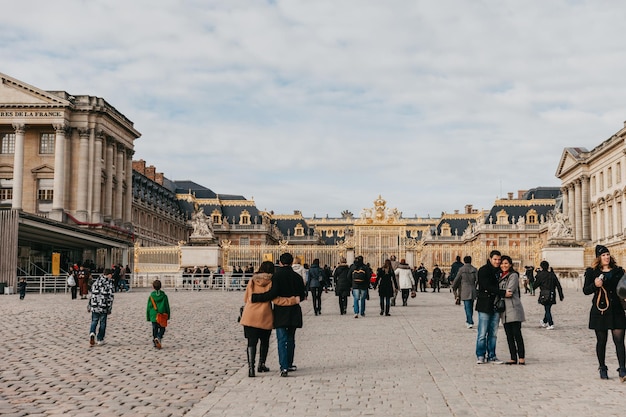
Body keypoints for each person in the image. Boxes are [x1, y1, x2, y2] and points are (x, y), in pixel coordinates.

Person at [250, 253, 307, 377]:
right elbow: (302, 295)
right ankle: (290, 363)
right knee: (291, 339)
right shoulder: (297, 277)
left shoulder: (276, 276)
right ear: (292, 263)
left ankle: (284, 367)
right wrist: (294, 299)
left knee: (281, 339)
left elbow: (272, 294)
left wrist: (256, 297)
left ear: (280, 263)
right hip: (293, 311)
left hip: (280, 311)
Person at [240, 261, 299, 377]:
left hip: (250, 315)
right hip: (264, 316)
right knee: (264, 341)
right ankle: (261, 364)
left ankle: (251, 368)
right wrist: (293, 300)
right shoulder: (272, 282)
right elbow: (277, 300)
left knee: (251, 342)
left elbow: (246, 297)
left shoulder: (253, 280)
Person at [583, 245, 626, 380]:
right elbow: (585, 290)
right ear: (598, 258)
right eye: (603, 255)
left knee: (619, 341)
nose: (606, 257)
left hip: (616, 309)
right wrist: (594, 285)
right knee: (601, 341)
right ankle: (602, 367)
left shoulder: (618, 271)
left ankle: (623, 369)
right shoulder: (592, 272)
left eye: (607, 254)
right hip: (600, 309)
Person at [475, 250, 504, 364]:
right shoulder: (483, 270)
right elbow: (486, 285)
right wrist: (502, 292)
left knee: (493, 333)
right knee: (482, 333)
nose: (497, 262)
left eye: (499, 260)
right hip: (485, 304)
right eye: (495, 259)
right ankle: (480, 355)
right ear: (490, 259)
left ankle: (492, 355)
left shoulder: (501, 271)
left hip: (496, 304)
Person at [499, 255, 526, 365]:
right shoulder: (500, 276)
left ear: (510, 264)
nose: (503, 265)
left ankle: (521, 357)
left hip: (513, 308)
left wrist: (499, 292)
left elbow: (509, 291)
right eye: (502, 263)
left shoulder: (513, 275)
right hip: (504, 310)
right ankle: (513, 357)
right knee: (509, 335)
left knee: (517, 334)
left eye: (506, 263)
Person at [88, 268, 114, 346]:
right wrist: (109, 307)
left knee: (94, 321)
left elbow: (91, 294)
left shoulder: (96, 282)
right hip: (103, 305)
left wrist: (89, 305)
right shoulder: (109, 283)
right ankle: (100, 339)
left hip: (95, 305)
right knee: (102, 323)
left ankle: (92, 332)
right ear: (109, 275)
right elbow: (110, 297)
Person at [534, 261, 564, 330]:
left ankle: (551, 324)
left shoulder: (540, 275)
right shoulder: (552, 274)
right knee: (548, 308)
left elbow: (535, 285)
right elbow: (558, 285)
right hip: (552, 294)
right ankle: (544, 321)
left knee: (547, 309)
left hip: (544, 294)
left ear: (541, 267)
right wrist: (561, 295)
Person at [452, 256, 477, 328]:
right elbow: (477, 280)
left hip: (465, 289)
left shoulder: (462, 269)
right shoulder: (474, 269)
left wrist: (454, 286)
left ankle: (470, 321)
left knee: (467, 306)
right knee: (471, 306)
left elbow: (457, 279)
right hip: (472, 289)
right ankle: (469, 320)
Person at [147, 279, 171, 349]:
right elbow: (167, 306)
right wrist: (168, 315)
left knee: (154, 329)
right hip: (162, 314)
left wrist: (148, 316)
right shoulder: (164, 296)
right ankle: (159, 337)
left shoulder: (151, 296)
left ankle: (155, 341)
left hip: (153, 315)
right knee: (162, 328)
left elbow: (149, 307)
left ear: (153, 287)